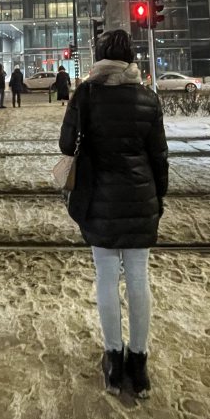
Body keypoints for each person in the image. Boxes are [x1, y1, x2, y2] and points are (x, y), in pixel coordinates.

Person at [59, 29, 168, 399]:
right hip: (140, 199)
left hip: (98, 199)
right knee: (138, 278)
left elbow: (64, 143)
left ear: (100, 56)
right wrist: (158, 198)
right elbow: (159, 157)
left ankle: (113, 359)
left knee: (106, 277)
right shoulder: (147, 98)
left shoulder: (87, 95)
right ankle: (139, 366)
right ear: (131, 58)